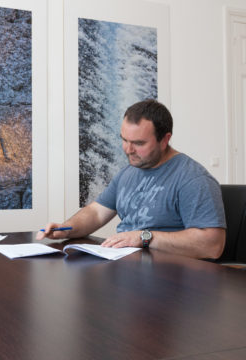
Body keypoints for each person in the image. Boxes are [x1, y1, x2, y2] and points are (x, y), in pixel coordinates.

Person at [38, 99, 226, 259]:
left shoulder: (193, 179)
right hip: (129, 269)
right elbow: (96, 213)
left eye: (138, 143)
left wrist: (145, 237)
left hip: (170, 280)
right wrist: (67, 229)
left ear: (165, 139)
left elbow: (213, 245)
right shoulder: (129, 172)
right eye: (125, 140)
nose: (128, 150)